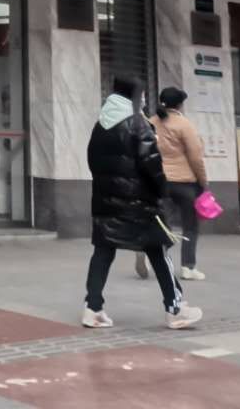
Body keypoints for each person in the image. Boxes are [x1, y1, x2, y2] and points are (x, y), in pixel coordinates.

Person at [83, 76, 203, 330]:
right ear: (135, 96)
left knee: (103, 252)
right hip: (140, 204)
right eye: (143, 95)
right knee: (158, 252)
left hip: (105, 201)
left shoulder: (100, 125)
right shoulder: (138, 124)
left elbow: (92, 160)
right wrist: (161, 192)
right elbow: (152, 165)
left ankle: (92, 309)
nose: (146, 100)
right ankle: (175, 309)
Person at [137, 87, 210, 281]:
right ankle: (188, 267)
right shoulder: (184, 124)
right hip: (184, 182)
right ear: (179, 104)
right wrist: (203, 181)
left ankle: (148, 251)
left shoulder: (150, 123)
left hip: (158, 181)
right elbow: (195, 157)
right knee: (190, 225)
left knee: (162, 223)